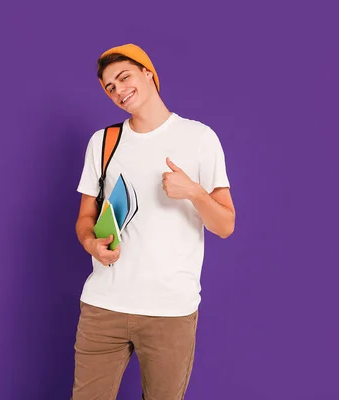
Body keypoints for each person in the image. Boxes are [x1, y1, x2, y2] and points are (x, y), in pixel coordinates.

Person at [71, 43, 236, 399]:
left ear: (148, 73)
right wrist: (90, 242)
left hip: (170, 311)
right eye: (109, 87)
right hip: (104, 306)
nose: (118, 90)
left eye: (124, 77)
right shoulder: (103, 142)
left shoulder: (199, 138)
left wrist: (194, 192)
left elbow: (225, 225)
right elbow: (85, 216)